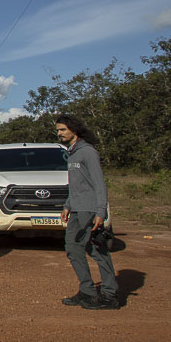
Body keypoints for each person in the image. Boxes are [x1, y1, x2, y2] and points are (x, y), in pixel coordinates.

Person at [56, 115, 119, 310]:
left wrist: (100, 211)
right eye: (58, 130)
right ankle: (87, 291)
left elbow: (99, 183)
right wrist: (67, 205)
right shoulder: (72, 153)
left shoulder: (88, 152)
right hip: (76, 209)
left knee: (97, 250)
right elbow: (75, 185)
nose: (59, 134)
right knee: (73, 248)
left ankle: (110, 295)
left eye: (62, 130)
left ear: (74, 130)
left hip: (89, 210)